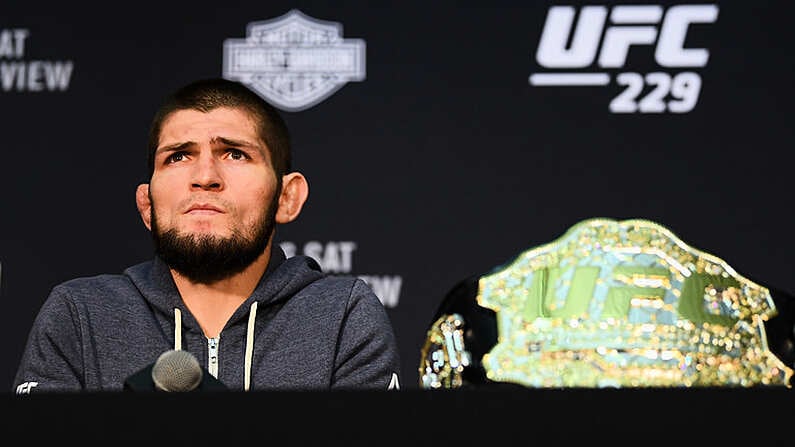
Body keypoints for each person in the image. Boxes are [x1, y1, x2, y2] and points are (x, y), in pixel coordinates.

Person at [12, 78, 401, 393]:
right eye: (178, 155)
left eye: (234, 153)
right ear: (147, 205)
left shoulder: (342, 315)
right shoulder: (80, 314)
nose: (204, 177)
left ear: (287, 197)